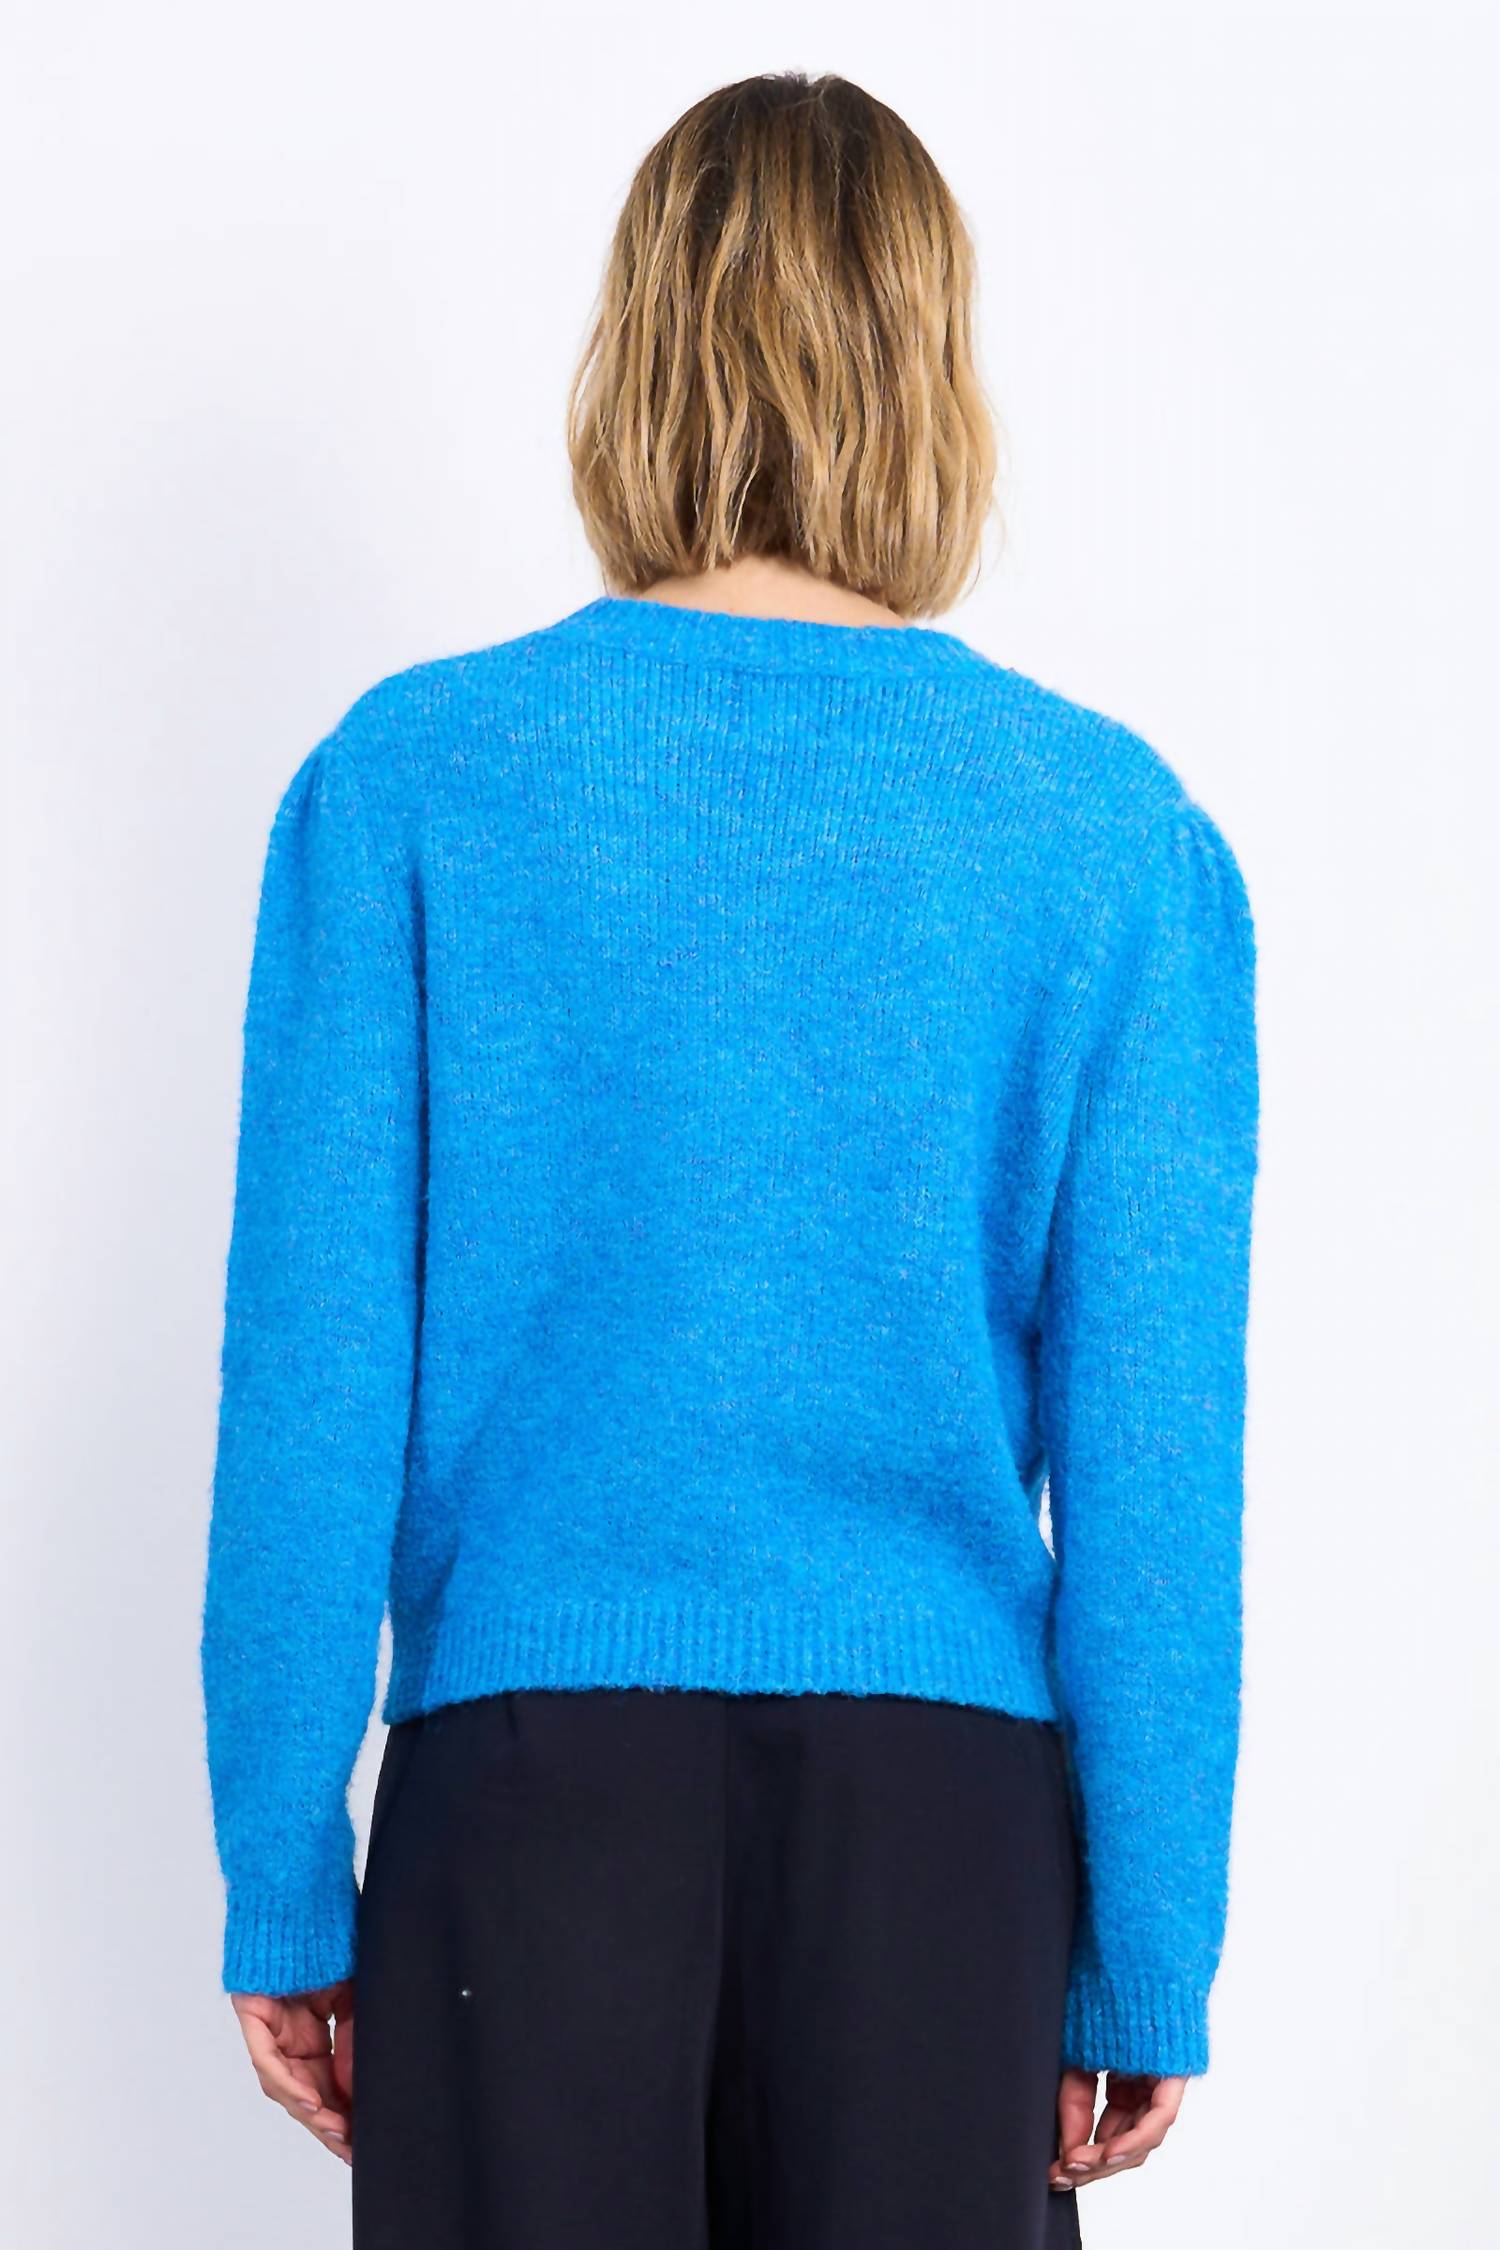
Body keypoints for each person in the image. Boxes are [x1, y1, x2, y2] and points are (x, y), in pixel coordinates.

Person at [199, 70, 1260, 2250]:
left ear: (639, 348)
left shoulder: (409, 786)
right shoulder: (1111, 838)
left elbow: (308, 1385)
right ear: (932, 364)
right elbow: (1156, 1452)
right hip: (944, 1840)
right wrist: (1149, 1934)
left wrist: (285, 1870)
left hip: (526, 1807)